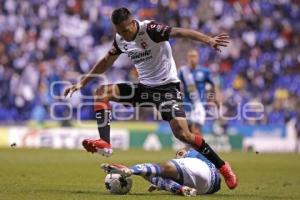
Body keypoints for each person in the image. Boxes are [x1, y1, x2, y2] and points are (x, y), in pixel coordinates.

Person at [64, 7, 237, 189]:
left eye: (125, 30)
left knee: (184, 134)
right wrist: (82, 82)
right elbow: (106, 61)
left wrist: (208, 40)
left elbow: (180, 32)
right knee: (101, 92)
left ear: (132, 23)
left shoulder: (151, 29)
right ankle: (105, 143)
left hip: (167, 88)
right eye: (118, 32)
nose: (123, 35)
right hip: (145, 89)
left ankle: (223, 167)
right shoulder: (121, 39)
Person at [101, 147, 221, 196]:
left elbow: (180, 158)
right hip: (208, 188)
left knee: (160, 168)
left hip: (199, 173)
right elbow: (217, 186)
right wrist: (159, 185)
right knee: (153, 176)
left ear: (182, 153)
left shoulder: (192, 153)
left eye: (178, 154)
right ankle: (181, 189)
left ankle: (130, 170)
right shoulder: (209, 162)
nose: (177, 156)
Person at [178, 49, 218, 136]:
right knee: (187, 131)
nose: (192, 58)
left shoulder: (205, 71)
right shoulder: (183, 71)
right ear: (187, 58)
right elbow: (176, 83)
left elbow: (213, 84)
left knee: (196, 129)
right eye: (190, 56)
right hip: (187, 104)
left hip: (199, 104)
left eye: (194, 56)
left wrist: (212, 98)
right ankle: (192, 148)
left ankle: (199, 148)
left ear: (198, 58)